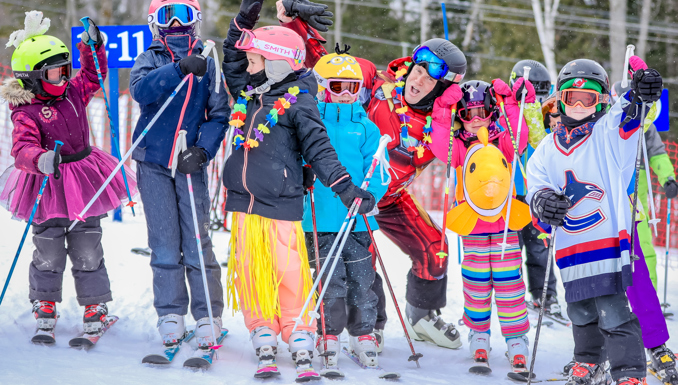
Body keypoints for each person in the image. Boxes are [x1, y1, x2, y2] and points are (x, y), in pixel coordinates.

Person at [278, 0, 469, 350]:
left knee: (434, 247)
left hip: (391, 197)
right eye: (417, 70)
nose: (418, 79)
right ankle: (370, 323)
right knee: (358, 257)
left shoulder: (442, 124)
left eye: (429, 78)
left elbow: (477, 127)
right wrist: (294, 24)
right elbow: (326, 64)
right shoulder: (379, 85)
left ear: (443, 90)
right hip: (351, 188)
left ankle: (422, 316)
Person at [222, 0, 375, 378]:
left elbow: (320, 150)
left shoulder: (299, 103)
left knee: (290, 270)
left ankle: (298, 330)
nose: (247, 67)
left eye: (255, 61)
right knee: (249, 269)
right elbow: (231, 57)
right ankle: (262, 326)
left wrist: (345, 188)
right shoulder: (251, 92)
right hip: (244, 204)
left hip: (282, 204)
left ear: (275, 64)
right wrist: (245, 19)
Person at [526, 56, 663, 385]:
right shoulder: (547, 147)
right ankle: (587, 359)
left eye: (587, 97)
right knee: (581, 311)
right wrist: (543, 201)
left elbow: (629, 114)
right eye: (572, 97)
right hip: (572, 249)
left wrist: (640, 93)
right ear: (559, 100)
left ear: (600, 100)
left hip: (609, 243)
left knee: (614, 311)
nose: (578, 105)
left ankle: (628, 371)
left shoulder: (609, 132)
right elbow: (537, 182)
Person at [0, 12, 136, 342]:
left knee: (88, 245)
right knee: (48, 249)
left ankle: (94, 306)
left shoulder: (72, 91)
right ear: (31, 77)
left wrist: (91, 47)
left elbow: (94, 74)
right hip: (46, 182)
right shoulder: (26, 110)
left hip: (83, 177)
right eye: (54, 73)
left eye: (65, 70)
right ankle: (44, 302)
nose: (63, 78)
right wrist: (41, 158)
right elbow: (21, 150)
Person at [129, 0, 229, 350]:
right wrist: (178, 70)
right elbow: (140, 91)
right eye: (167, 15)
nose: (175, 23)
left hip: (189, 163)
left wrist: (202, 150)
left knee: (196, 240)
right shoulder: (150, 58)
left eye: (183, 14)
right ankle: (171, 311)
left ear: (195, 20)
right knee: (165, 241)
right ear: (155, 23)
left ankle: (207, 314)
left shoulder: (210, 61)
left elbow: (219, 114)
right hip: (153, 162)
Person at [431, 78, 542, 373]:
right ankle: (479, 334)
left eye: (482, 111)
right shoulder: (458, 146)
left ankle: (516, 339)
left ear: (492, 110)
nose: (475, 119)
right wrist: (441, 110)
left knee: (509, 285)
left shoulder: (503, 138)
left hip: (505, 223)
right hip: (473, 225)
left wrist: (513, 104)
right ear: (460, 116)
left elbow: (520, 140)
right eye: (468, 114)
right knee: (477, 285)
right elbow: (439, 147)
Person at [303, 45, 389, 369]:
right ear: (322, 86)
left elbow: (377, 167)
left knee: (362, 277)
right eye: (337, 86)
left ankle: (364, 332)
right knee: (330, 279)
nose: (345, 94)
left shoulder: (366, 127)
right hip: (320, 217)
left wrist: (371, 195)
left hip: (357, 221)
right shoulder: (312, 123)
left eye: (352, 87)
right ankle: (328, 332)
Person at [508, 61, 565, 318]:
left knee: (539, 246)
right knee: (511, 247)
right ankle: (512, 294)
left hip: (538, 191)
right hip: (511, 192)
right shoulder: (506, 105)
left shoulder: (550, 108)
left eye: (541, 89)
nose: (537, 95)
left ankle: (545, 296)